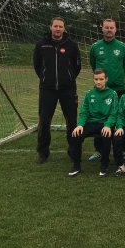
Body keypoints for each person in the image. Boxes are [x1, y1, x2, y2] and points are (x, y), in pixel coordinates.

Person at [33, 16, 81, 164]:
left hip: (68, 89)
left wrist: (68, 78)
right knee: (44, 121)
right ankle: (43, 152)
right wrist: (46, 78)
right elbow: (37, 65)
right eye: (55, 26)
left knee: (71, 121)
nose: (58, 29)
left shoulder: (72, 45)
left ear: (64, 28)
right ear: (50, 27)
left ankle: (73, 151)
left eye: (60, 26)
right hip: (47, 89)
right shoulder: (41, 45)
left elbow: (77, 66)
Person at [88, 18, 125, 162]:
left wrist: (116, 78)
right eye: (106, 27)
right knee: (99, 117)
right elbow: (93, 65)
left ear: (115, 29)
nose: (109, 30)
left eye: (112, 27)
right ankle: (99, 150)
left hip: (118, 88)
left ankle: (121, 150)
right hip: (101, 90)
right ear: (102, 28)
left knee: (120, 118)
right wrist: (102, 81)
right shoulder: (95, 47)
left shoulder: (122, 47)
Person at [67, 69, 118, 177]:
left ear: (106, 79)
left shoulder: (112, 94)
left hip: (105, 123)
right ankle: (76, 165)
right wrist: (80, 125)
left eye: (101, 79)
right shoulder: (89, 94)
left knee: (106, 136)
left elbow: (114, 113)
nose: (98, 82)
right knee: (76, 135)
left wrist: (108, 125)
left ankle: (104, 164)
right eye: (96, 79)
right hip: (91, 123)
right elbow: (84, 112)